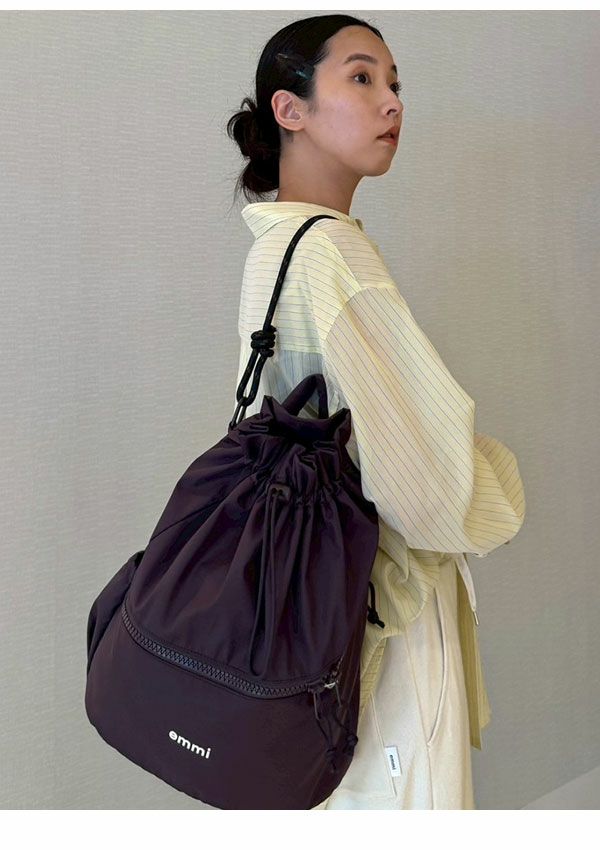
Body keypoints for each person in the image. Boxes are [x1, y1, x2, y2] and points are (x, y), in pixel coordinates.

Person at [226, 14, 526, 809]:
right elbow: (422, 485)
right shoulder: (331, 252)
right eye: (361, 77)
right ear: (290, 109)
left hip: (311, 612)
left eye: (394, 83)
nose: (392, 102)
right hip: (384, 606)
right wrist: (496, 484)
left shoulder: (275, 248)